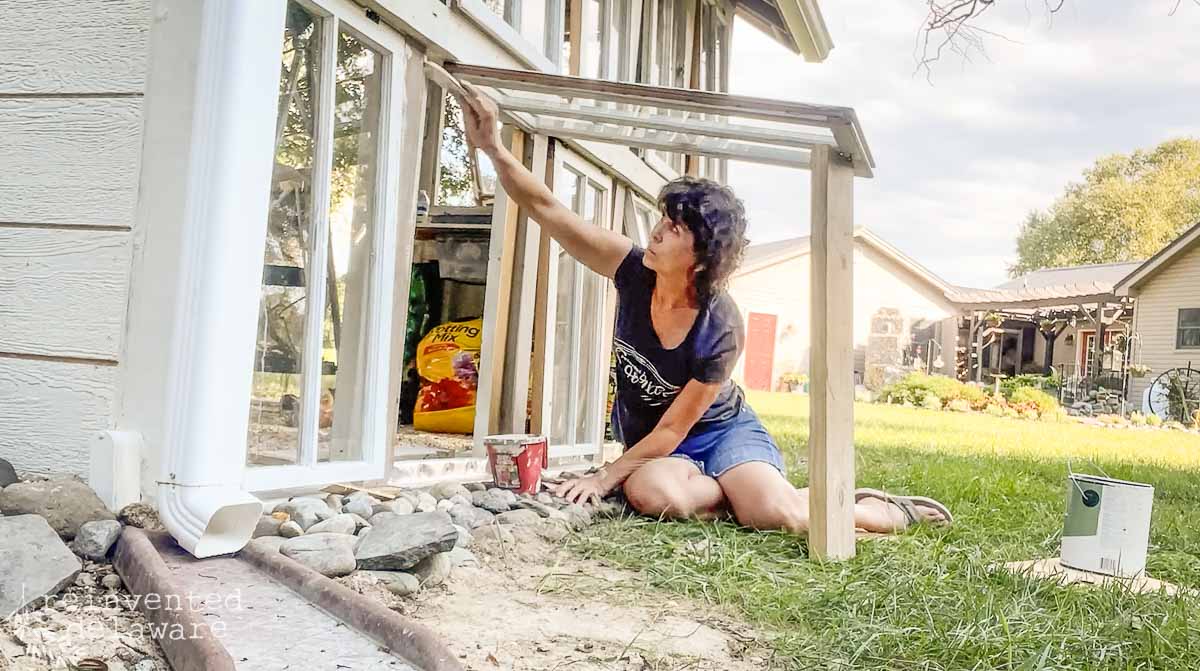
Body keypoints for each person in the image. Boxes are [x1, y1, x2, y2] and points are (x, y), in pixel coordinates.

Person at [456, 84, 951, 535]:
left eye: (674, 229)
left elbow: (678, 426)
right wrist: (493, 148)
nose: (656, 232)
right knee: (654, 496)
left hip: (720, 432)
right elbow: (549, 210)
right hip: (661, 449)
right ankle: (744, 495)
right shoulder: (633, 270)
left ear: (701, 257)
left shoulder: (721, 324)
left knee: (783, 518)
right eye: (662, 220)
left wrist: (604, 476)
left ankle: (884, 511)